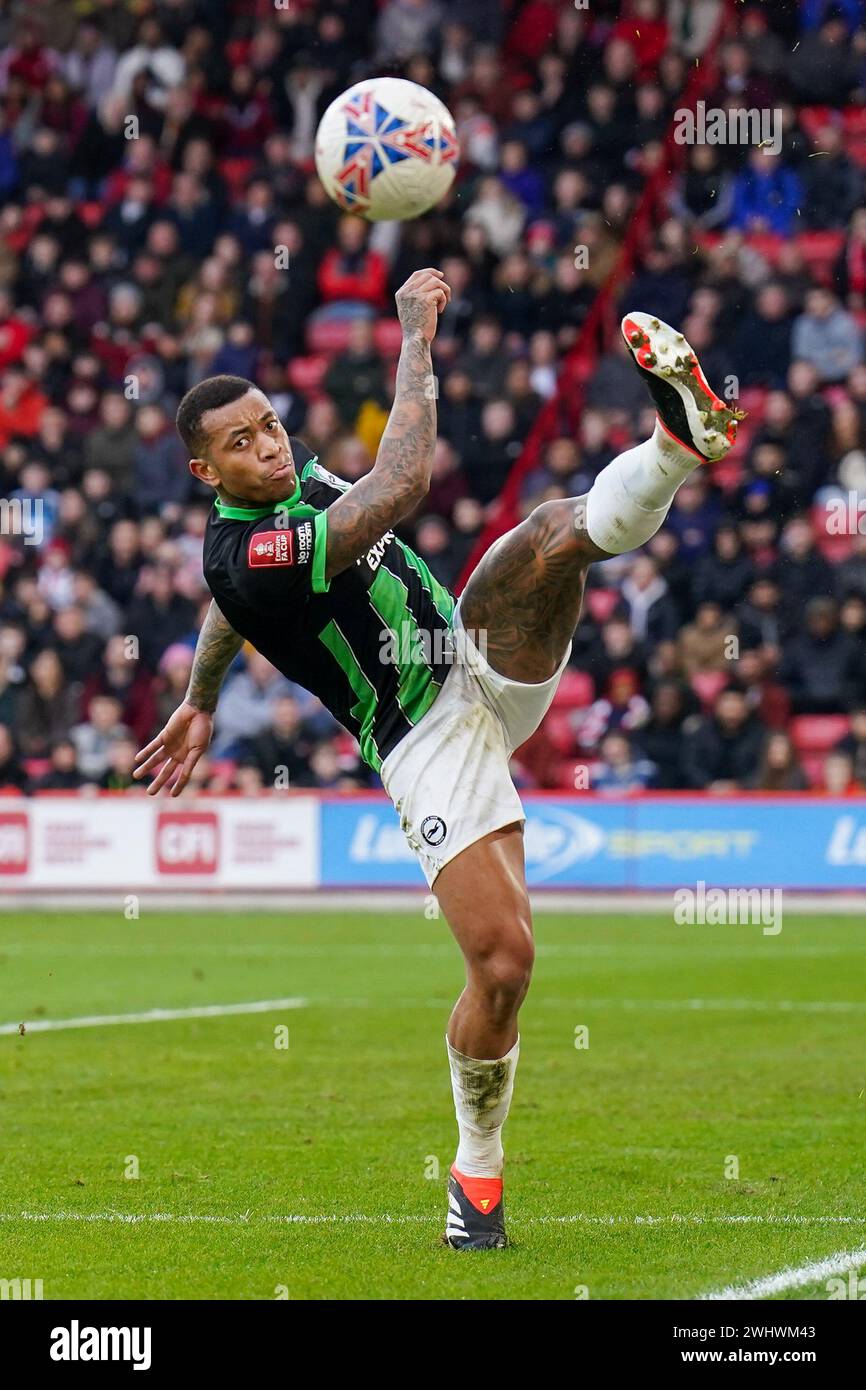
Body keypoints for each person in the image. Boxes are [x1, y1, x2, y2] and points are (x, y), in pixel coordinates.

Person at [134, 272, 743, 1249]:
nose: (268, 443)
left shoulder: (282, 505)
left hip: (467, 655)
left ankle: (676, 447)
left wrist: (201, 698)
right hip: (421, 739)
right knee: (504, 965)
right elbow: (401, 487)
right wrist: (414, 334)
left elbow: (221, 620)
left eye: (267, 422)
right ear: (206, 475)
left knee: (550, 533)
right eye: (240, 443)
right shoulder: (245, 555)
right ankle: (475, 1176)